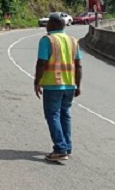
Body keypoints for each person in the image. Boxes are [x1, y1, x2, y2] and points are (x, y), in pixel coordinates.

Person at [34, 13, 83, 162]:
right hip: (69, 84)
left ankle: (60, 149)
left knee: (53, 115)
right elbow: (78, 65)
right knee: (65, 115)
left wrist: (37, 81)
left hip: (52, 84)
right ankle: (67, 146)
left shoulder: (47, 40)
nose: (46, 26)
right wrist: (78, 85)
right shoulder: (73, 41)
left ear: (54, 25)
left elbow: (41, 63)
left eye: (48, 23)